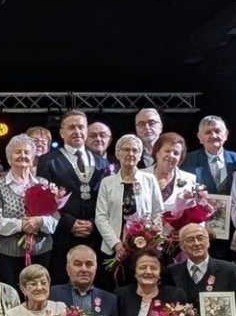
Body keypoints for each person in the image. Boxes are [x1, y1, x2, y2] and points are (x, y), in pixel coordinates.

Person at [37, 110, 110, 286]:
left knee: (95, 284)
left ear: (86, 131)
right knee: (62, 284)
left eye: (80, 127)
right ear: (62, 132)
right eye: (71, 127)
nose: (77, 131)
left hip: (94, 234)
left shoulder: (102, 162)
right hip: (62, 235)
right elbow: (43, 202)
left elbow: (107, 200)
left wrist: (93, 222)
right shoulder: (48, 161)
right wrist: (69, 223)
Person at [0, 134, 60, 285]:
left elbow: (55, 218)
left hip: (41, 252)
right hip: (6, 254)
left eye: (26, 152)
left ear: (33, 158)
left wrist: (39, 221)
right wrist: (22, 225)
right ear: (9, 158)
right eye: (17, 152)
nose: (22, 155)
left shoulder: (43, 184)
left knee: (38, 294)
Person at [95, 134, 164, 282]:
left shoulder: (149, 179)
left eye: (135, 150)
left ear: (140, 155)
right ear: (118, 153)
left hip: (144, 245)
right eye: (126, 149)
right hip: (113, 247)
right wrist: (116, 243)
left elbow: (158, 212)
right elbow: (101, 217)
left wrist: (150, 236)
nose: (130, 154)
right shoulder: (107, 182)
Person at [49, 244, 122, 316]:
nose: (84, 269)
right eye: (77, 264)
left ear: (96, 267)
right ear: (67, 268)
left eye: (89, 264)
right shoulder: (53, 294)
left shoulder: (110, 299)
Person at [180, 115, 236, 195]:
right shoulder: (188, 161)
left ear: (226, 134)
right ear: (200, 137)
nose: (213, 136)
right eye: (208, 132)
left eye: (217, 131)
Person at [151, 132, 198, 212]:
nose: (171, 155)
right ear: (157, 153)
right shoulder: (140, 175)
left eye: (176, 153)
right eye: (167, 151)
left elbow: (193, 209)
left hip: (176, 224)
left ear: (180, 158)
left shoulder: (191, 179)